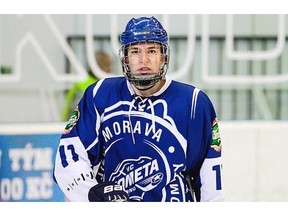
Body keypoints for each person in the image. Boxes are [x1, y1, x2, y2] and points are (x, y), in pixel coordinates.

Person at [53, 16, 225, 202]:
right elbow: (69, 157)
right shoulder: (100, 94)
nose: (143, 60)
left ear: (163, 57)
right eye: (135, 51)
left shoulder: (194, 103)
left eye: (152, 51)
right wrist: (90, 192)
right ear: (125, 58)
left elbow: (210, 181)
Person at [61, 51, 112, 121]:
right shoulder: (83, 85)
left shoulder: (102, 84)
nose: (110, 69)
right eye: (107, 64)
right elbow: (75, 116)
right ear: (96, 65)